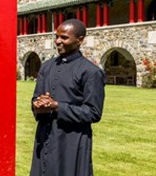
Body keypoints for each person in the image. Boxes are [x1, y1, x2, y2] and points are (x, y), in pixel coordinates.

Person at [30, 19, 105, 176]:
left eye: (64, 38)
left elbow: (93, 112)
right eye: (56, 37)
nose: (58, 41)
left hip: (72, 141)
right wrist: (38, 104)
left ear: (80, 40)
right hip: (45, 136)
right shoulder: (46, 67)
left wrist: (58, 106)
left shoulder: (90, 72)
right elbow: (36, 98)